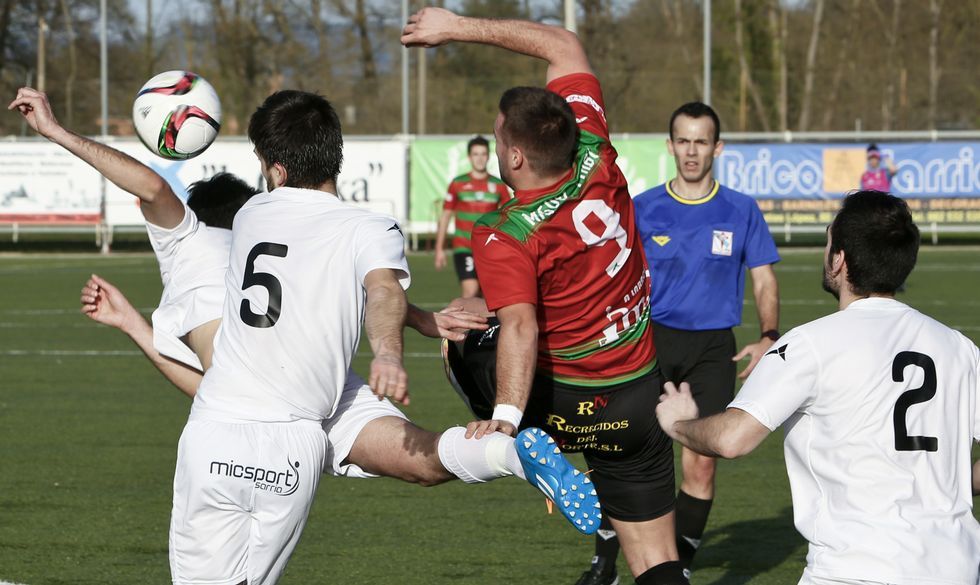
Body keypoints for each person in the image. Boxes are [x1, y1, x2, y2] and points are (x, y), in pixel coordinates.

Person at [403, 9, 687, 585]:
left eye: (499, 134)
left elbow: (521, 327)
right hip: (637, 395)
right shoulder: (596, 152)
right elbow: (563, 44)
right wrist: (459, 25)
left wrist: (505, 421)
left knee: (456, 332)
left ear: (514, 157)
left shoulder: (504, 230)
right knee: (658, 560)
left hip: (560, 401)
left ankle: (521, 452)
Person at [657, 190, 980, 585]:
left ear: (839, 259)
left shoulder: (811, 343)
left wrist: (679, 423)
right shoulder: (959, 348)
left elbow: (731, 439)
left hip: (856, 570)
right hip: (957, 568)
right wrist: (955, 481)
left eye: (828, 242)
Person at [578, 102, 781, 584]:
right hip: (649, 343)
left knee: (701, 465)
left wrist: (768, 335)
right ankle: (604, 564)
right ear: (670, 146)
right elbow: (608, 277)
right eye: (683, 141)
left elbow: (764, 280)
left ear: (718, 147)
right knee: (625, 454)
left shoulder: (741, 210)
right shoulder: (643, 208)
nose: (692, 151)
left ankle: (679, 572)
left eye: (701, 142)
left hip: (713, 350)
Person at [434, 135, 511, 298]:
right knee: (471, 290)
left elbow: (508, 217)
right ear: (469, 157)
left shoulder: (498, 185)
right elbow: (446, 216)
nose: (479, 158)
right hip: (464, 246)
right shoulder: (458, 183)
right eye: (476, 154)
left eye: (483, 154)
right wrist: (439, 249)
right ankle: (460, 315)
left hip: (488, 248)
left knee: (487, 295)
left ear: (488, 157)